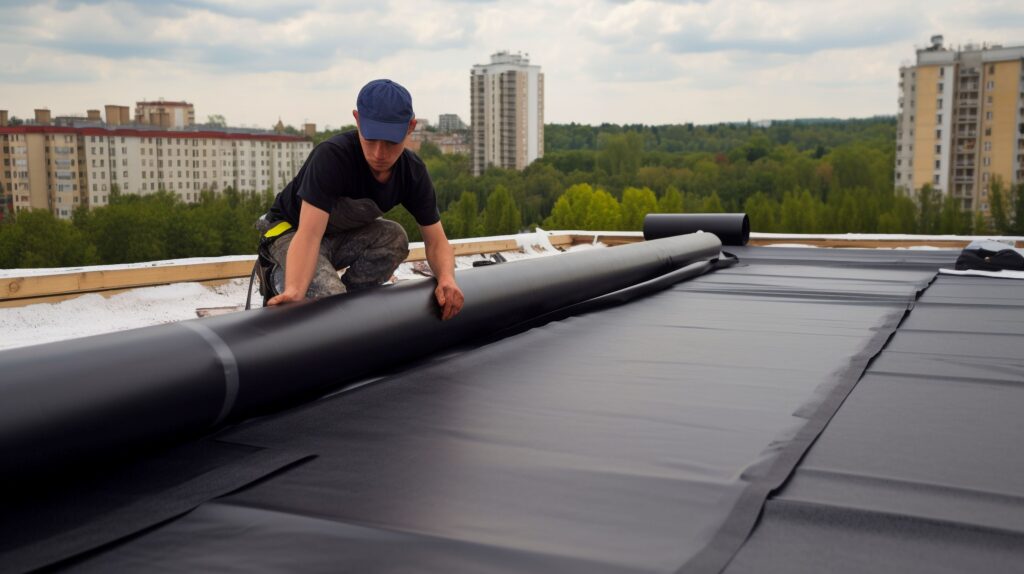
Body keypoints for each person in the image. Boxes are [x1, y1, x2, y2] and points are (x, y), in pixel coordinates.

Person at [255, 79, 464, 320]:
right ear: (357, 119)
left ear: (410, 127)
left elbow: (437, 242)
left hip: (335, 238)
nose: (379, 154)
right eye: (371, 139)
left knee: (394, 237)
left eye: (390, 142)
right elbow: (309, 235)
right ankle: (278, 276)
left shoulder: (412, 172)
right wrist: (295, 291)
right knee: (329, 302)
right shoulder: (333, 157)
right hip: (291, 233)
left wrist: (447, 279)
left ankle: (351, 309)